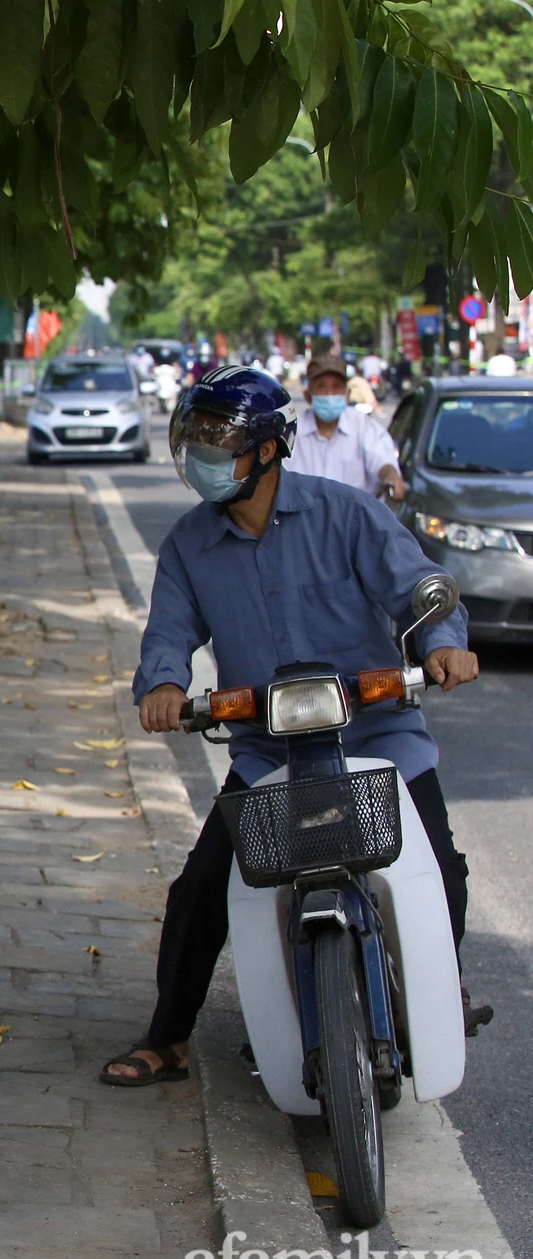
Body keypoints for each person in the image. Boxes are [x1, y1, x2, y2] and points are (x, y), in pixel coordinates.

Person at [102, 366, 487, 1087]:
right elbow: (169, 632)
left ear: (269, 449)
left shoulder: (349, 514)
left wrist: (441, 646)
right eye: (198, 438)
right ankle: (169, 1037)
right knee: (201, 886)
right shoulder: (188, 545)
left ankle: (436, 993)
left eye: (222, 439)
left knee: (444, 872)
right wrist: (162, 684)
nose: (203, 454)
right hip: (267, 750)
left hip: (379, 737)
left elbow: (417, 590)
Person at [286, 352, 405, 501]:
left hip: (356, 520)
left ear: (347, 395)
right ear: (308, 396)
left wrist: (391, 477)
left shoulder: (363, 426)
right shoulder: (291, 431)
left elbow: (383, 461)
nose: (329, 393)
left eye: (336, 387)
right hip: (304, 519)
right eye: (321, 387)